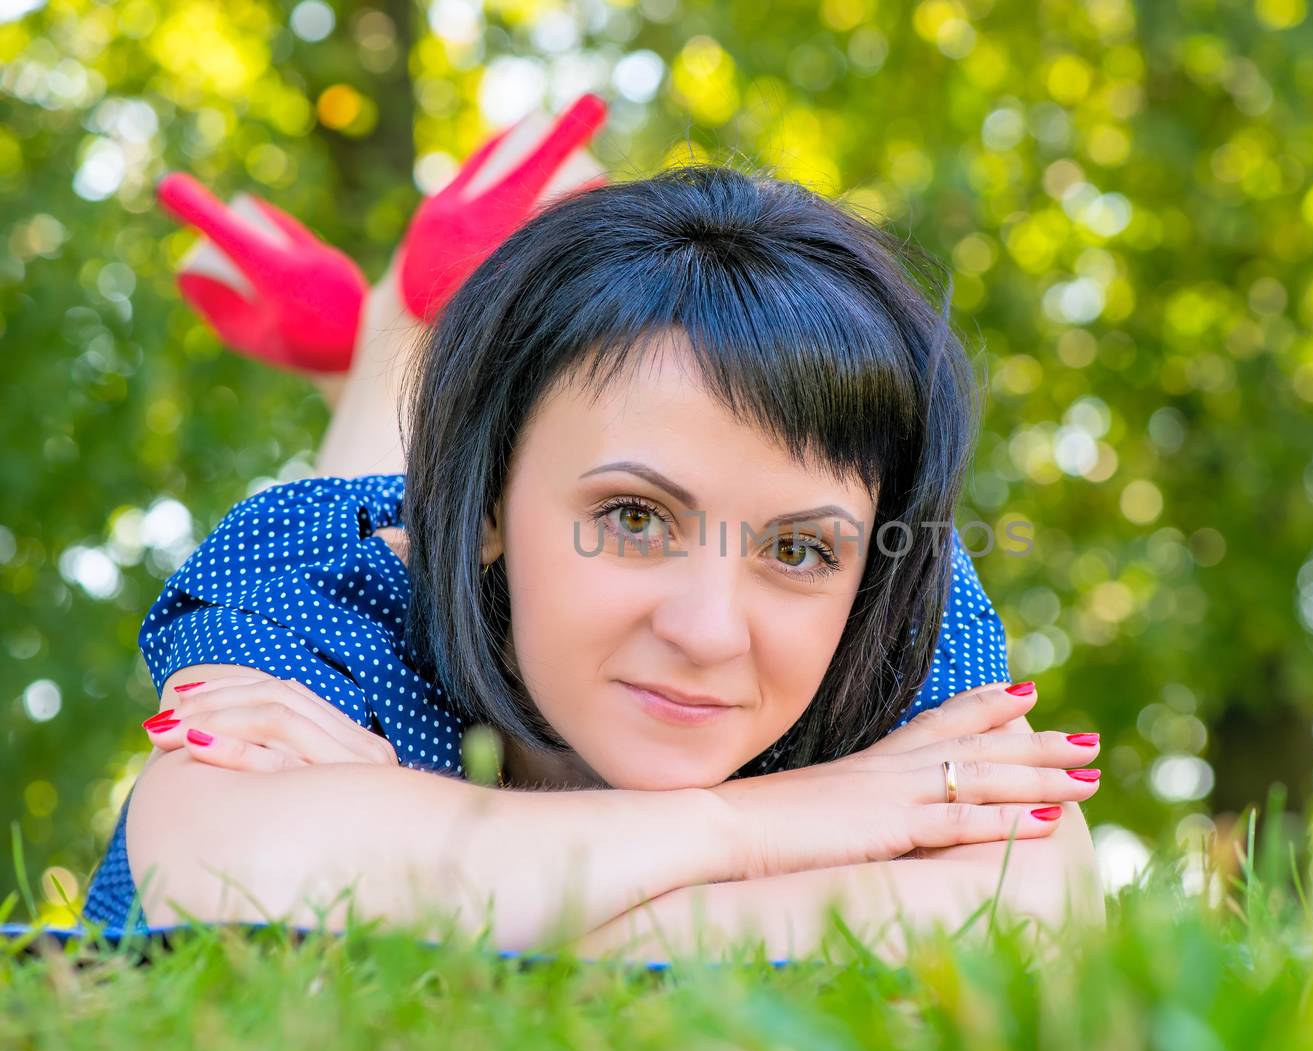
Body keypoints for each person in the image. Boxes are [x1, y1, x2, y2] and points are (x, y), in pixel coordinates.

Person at [81, 100, 1104, 962]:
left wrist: (442, 885)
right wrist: (777, 827)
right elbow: (215, 878)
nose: (708, 632)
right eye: (633, 518)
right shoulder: (328, 573)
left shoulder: (887, 595)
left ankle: (396, 334)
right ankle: (401, 330)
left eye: (795, 549)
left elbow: (1038, 909)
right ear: (476, 503)